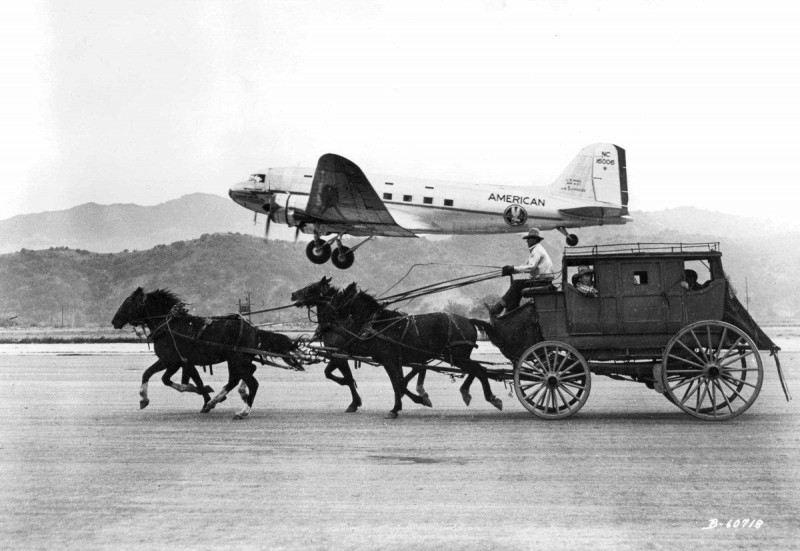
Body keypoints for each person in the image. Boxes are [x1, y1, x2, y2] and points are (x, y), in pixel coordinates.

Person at [486, 227, 554, 318]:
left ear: (534, 239)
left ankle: (498, 308)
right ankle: (510, 312)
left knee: (517, 284)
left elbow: (530, 267)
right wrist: (512, 270)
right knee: (518, 285)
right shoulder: (537, 250)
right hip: (543, 281)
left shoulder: (537, 251)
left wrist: (513, 268)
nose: (527, 241)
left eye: (528, 239)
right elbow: (525, 265)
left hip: (542, 282)